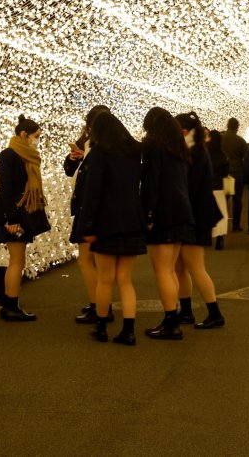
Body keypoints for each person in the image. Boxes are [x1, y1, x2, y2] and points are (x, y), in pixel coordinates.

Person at [79, 112, 146, 345]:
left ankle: (101, 327)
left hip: (106, 222)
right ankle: (129, 331)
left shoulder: (99, 153)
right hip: (132, 221)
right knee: (125, 280)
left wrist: (87, 224)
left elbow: (93, 193)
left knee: (105, 279)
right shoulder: (134, 151)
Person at [0, 115, 49, 320]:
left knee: (17, 260)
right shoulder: (9, 155)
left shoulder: (26, 156)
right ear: (24, 135)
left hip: (19, 214)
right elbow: (5, 189)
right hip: (13, 216)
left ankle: (10, 304)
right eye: (36, 136)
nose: (37, 140)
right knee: (16, 261)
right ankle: (11, 306)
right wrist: (11, 219)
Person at [141, 107, 194, 340]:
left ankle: (171, 321)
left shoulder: (153, 147)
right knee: (171, 269)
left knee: (162, 271)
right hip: (181, 211)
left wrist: (148, 214)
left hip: (162, 214)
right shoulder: (179, 148)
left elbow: (151, 184)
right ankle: (172, 318)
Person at [173, 113, 225, 330]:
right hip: (197, 215)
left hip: (195, 217)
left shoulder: (192, 153)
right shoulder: (198, 150)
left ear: (184, 131)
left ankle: (215, 313)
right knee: (181, 267)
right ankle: (186, 311)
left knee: (195, 267)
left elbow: (188, 189)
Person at [63, 105, 113, 324]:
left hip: (91, 208)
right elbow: (69, 169)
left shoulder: (101, 146)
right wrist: (75, 158)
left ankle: (99, 306)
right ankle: (100, 302)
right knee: (95, 262)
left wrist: (85, 159)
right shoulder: (105, 142)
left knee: (86, 260)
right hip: (96, 208)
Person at [221, 117, 248, 232]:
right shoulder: (240, 140)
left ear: (227, 125)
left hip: (225, 173)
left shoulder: (221, 139)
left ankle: (220, 223)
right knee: (237, 200)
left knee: (224, 198)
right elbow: (246, 158)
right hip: (237, 173)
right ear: (237, 127)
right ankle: (236, 225)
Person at [206, 129, 230, 250]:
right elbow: (226, 172)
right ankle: (220, 239)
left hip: (206, 188)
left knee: (207, 212)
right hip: (219, 188)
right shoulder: (222, 155)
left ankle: (207, 237)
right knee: (221, 213)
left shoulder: (204, 153)